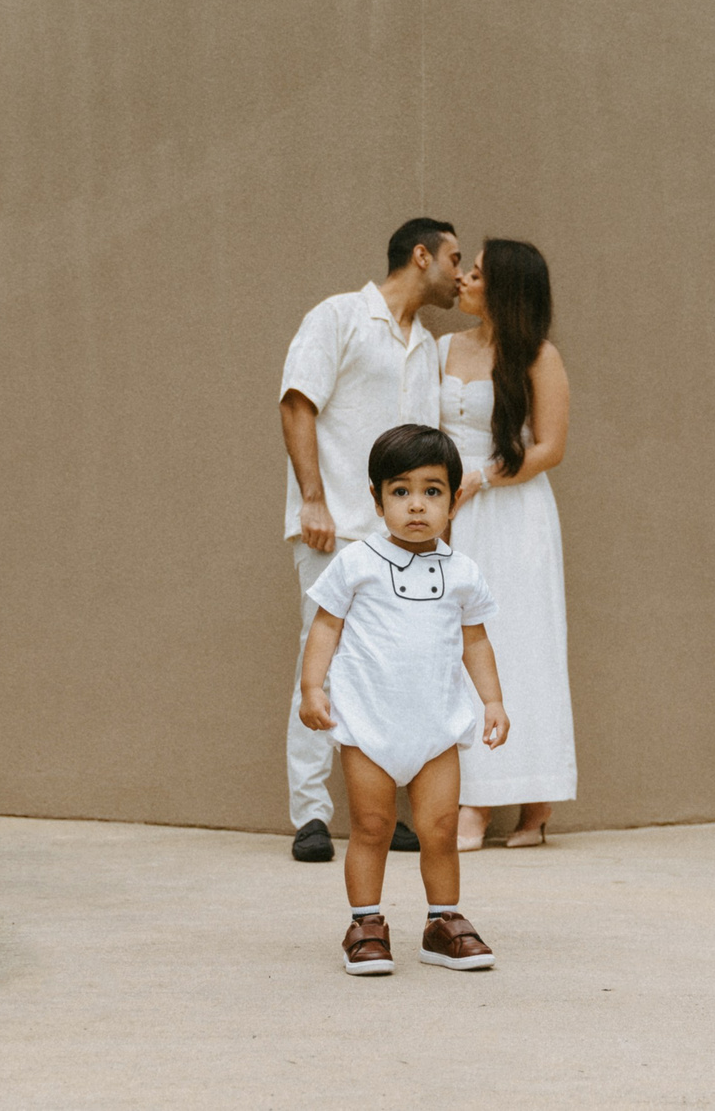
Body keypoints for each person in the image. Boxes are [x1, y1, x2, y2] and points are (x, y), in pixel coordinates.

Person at [278, 218, 464, 862]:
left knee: (396, 665)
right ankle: (310, 813)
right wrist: (312, 499)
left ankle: (383, 810)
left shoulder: (426, 342)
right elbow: (298, 402)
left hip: (403, 535)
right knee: (321, 658)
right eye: (454, 258)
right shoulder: (338, 317)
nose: (461, 272)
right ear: (421, 256)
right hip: (336, 530)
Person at [299, 424, 508, 974]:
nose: (416, 505)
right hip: (369, 724)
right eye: (401, 491)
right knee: (372, 827)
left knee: (438, 829)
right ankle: (366, 924)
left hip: (437, 727)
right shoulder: (356, 562)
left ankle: (443, 923)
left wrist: (492, 701)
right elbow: (324, 629)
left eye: (432, 491)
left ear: (454, 500)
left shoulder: (462, 573)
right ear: (376, 498)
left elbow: (475, 640)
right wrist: (312, 688)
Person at [442, 238, 576, 850]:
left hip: (514, 512)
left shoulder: (538, 356)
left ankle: (522, 800)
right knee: (462, 645)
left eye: (476, 273)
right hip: (453, 514)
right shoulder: (443, 350)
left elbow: (550, 446)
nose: (464, 280)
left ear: (505, 290)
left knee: (521, 642)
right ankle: (473, 795)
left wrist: (485, 477)